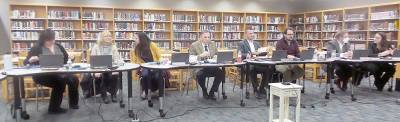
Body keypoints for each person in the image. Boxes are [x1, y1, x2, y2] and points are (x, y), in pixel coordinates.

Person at [23, 29, 79, 114]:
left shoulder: (58, 46)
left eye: (53, 39)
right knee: (60, 82)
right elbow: (25, 62)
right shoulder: (37, 48)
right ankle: (54, 108)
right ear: (43, 39)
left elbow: (66, 59)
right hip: (43, 76)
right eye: (49, 40)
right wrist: (30, 60)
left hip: (59, 73)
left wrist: (70, 59)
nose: (51, 42)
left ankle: (73, 103)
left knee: (74, 79)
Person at [90, 30, 124, 103]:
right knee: (102, 75)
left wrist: (117, 67)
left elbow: (117, 59)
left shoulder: (113, 47)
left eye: (110, 36)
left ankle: (113, 94)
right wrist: (95, 71)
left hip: (110, 68)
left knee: (115, 74)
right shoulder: (96, 47)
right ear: (102, 37)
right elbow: (93, 61)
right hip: (99, 69)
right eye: (106, 36)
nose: (108, 37)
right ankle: (104, 95)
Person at [189, 31, 224, 100]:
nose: (207, 39)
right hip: (200, 68)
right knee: (200, 75)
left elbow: (217, 54)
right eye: (205, 37)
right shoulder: (194, 45)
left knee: (221, 73)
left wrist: (215, 57)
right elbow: (190, 59)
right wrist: (201, 56)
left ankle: (212, 92)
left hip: (212, 67)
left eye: (208, 37)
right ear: (200, 38)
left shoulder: (212, 44)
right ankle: (204, 90)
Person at [237, 29, 271, 98]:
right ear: (246, 34)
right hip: (247, 64)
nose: (252, 35)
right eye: (250, 33)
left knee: (269, 68)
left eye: (253, 33)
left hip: (257, 63)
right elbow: (239, 53)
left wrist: (264, 52)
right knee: (252, 68)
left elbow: (260, 52)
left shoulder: (257, 43)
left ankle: (262, 88)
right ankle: (255, 90)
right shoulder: (242, 43)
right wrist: (250, 54)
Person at [131, 32, 163, 99]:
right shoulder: (136, 48)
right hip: (144, 67)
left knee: (158, 76)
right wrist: (139, 67)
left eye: (136, 38)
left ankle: (156, 90)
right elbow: (135, 61)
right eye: (135, 38)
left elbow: (159, 56)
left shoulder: (152, 45)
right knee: (145, 75)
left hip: (155, 66)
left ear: (142, 39)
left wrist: (160, 61)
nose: (134, 40)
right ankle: (145, 91)